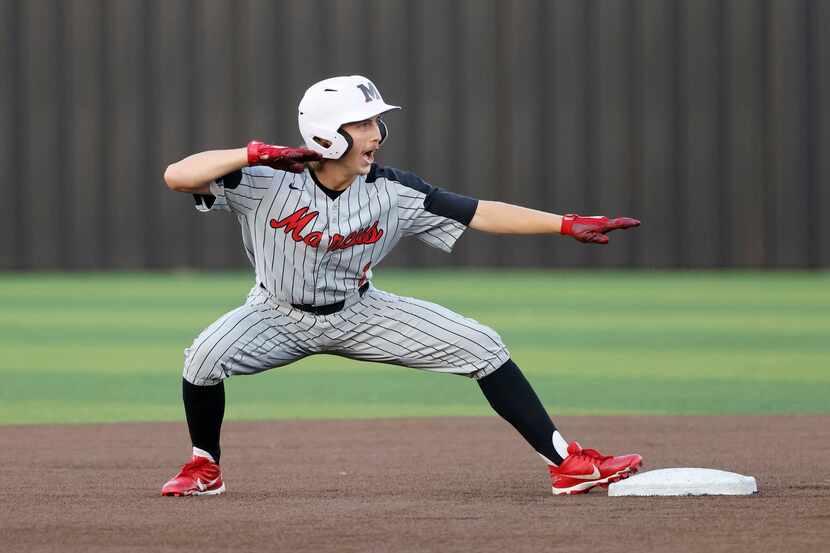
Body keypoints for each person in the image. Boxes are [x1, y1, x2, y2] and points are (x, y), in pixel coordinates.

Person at [161, 75, 642, 497]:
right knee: (202, 359)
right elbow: (177, 176)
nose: (377, 134)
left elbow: (481, 212)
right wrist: (250, 153)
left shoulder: (394, 190)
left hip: (360, 314)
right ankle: (205, 466)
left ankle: (567, 464)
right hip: (274, 314)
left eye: (376, 122)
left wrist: (564, 223)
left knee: (483, 345)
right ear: (327, 135)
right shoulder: (264, 179)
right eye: (363, 124)